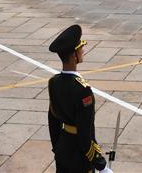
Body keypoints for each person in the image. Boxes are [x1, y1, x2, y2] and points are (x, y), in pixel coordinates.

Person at [47, 25, 108, 173]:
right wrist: (100, 164)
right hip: (79, 158)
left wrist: (58, 147)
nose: (83, 51)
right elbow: (84, 134)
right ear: (74, 56)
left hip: (63, 149)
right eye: (80, 48)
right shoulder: (83, 90)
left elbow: (53, 120)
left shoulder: (53, 82)